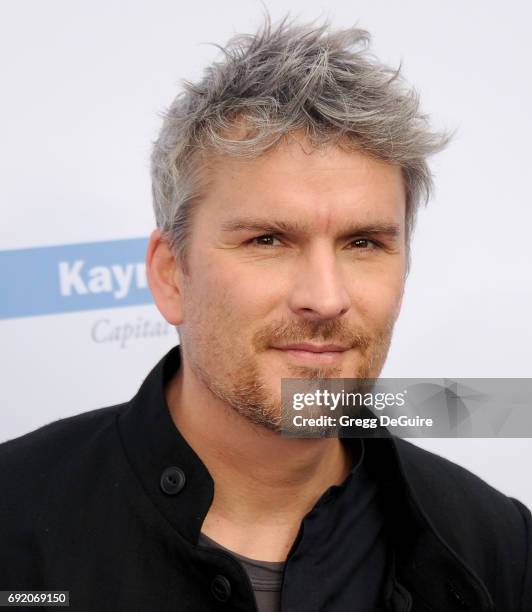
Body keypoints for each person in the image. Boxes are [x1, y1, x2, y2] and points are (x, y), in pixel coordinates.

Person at [1, 14, 530, 612]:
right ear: (171, 273)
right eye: (268, 240)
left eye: (363, 243)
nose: (325, 298)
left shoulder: (496, 547)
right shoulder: (14, 519)